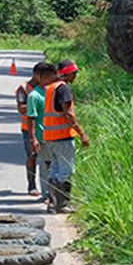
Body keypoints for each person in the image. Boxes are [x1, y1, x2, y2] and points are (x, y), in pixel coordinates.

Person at [39, 59, 90, 213]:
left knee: (54, 170)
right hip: (62, 137)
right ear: (67, 73)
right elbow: (68, 114)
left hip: (50, 137)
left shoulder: (50, 88)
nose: (75, 76)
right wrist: (82, 134)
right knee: (65, 171)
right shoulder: (63, 89)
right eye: (74, 73)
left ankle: (53, 204)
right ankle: (63, 204)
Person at [15, 62, 49, 196]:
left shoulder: (48, 88)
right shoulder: (23, 89)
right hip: (28, 128)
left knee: (48, 158)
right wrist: (35, 105)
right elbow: (21, 108)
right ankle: (32, 185)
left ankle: (48, 188)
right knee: (32, 156)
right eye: (45, 76)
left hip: (47, 127)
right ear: (36, 75)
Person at [25, 62, 57, 203]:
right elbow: (30, 118)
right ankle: (46, 194)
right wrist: (33, 139)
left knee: (56, 166)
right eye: (50, 77)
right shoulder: (34, 96)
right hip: (42, 137)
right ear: (41, 77)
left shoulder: (53, 91)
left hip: (56, 136)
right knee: (46, 167)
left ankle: (56, 194)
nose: (53, 79)